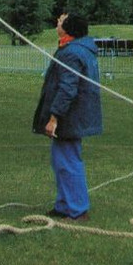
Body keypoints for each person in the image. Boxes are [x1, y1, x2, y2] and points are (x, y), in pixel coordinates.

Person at [32, 13, 103, 222]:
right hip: (76, 115)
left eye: (61, 21)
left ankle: (77, 210)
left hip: (70, 116)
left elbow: (67, 88)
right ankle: (64, 205)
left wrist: (54, 117)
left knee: (68, 161)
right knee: (61, 160)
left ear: (69, 27)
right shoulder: (79, 49)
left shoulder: (71, 53)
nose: (57, 23)